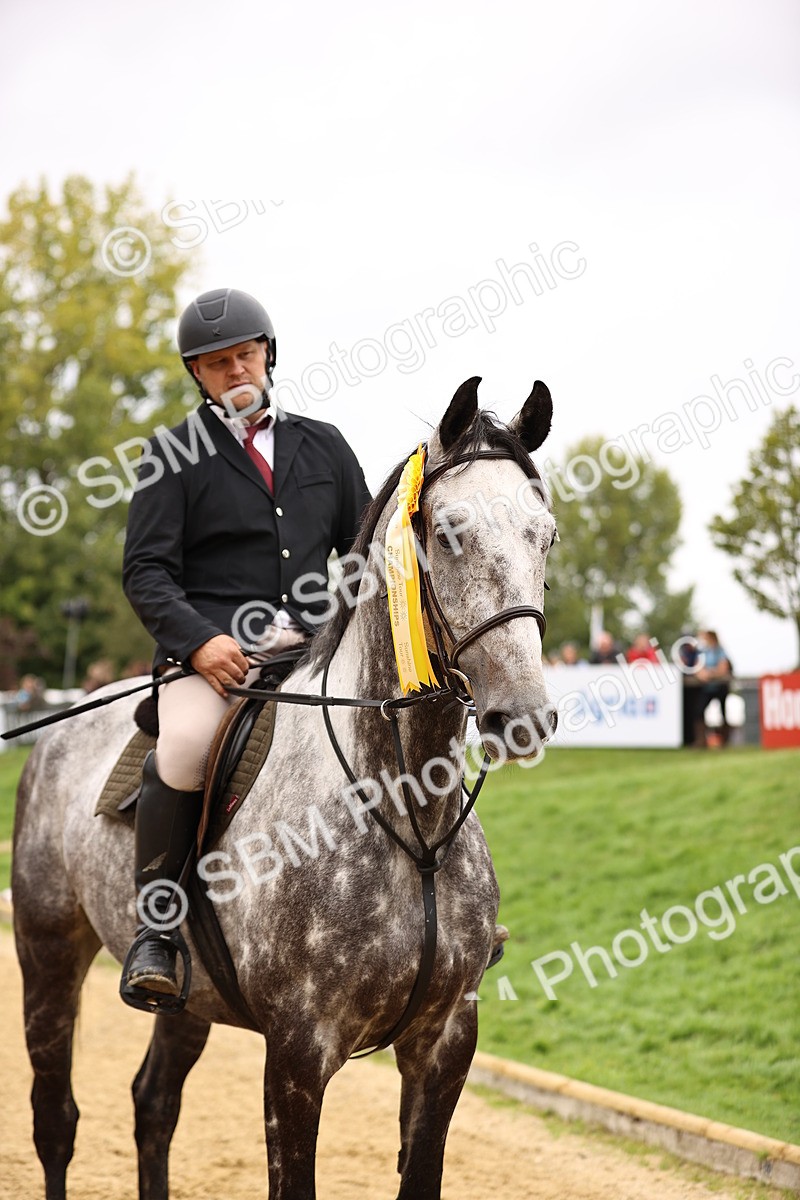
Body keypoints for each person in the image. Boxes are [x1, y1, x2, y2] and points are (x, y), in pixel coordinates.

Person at [121, 287, 371, 1002]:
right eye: (217, 364)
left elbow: (358, 557)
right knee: (187, 749)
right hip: (214, 660)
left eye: (245, 356)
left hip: (315, 650)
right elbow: (146, 570)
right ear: (196, 375)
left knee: (398, 728)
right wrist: (200, 644)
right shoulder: (171, 454)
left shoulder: (324, 444)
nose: (236, 371)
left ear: (267, 356)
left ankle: (449, 908)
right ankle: (157, 931)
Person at [691, 630, 732, 747]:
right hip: (707, 688)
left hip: (720, 687)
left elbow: (723, 669)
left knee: (723, 713)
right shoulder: (703, 652)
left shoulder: (720, 651)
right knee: (699, 711)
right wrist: (703, 673)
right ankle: (701, 740)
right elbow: (698, 668)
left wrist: (710, 674)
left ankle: (724, 741)